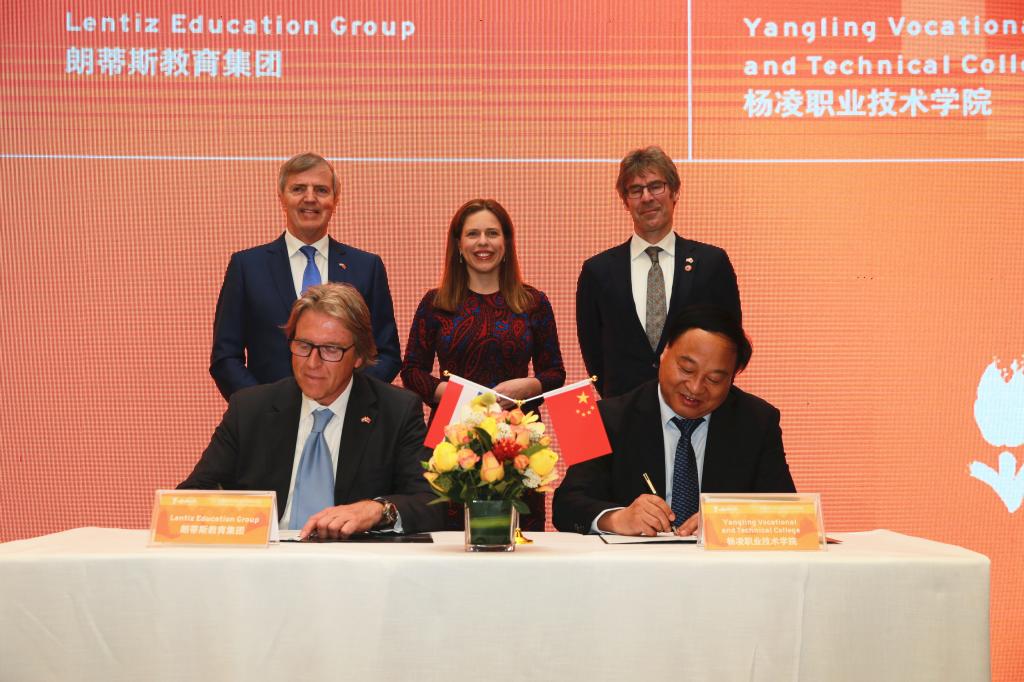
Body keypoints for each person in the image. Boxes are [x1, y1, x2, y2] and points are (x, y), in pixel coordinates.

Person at [182, 283, 442, 539]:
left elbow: (431, 503)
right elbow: (192, 494)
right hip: (267, 557)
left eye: (331, 349)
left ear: (359, 356)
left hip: (352, 560)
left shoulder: (396, 411)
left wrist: (377, 510)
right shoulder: (250, 408)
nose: (312, 363)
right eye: (304, 346)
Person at [552, 305, 795, 536]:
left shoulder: (759, 421)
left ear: (732, 378)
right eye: (687, 369)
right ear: (664, 353)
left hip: (719, 564)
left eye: (714, 379)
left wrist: (730, 519)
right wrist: (617, 518)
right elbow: (566, 505)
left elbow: (788, 512)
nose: (696, 388)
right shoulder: (602, 416)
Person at [400, 198, 566, 529]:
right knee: (449, 538)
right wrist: (450, 394)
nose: (483, 242)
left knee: (515, 535)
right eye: (473, 234)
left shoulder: (533, 302)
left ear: (506, 243)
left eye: (492, 233)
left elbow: (554, 373)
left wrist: (528, 387)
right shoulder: (435, 303)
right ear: (458, 245)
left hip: (516, 441)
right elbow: (412, 371)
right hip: (453, 439)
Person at [210, 152, 401, 400]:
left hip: (348, 417)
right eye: (298, 189)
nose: (310, 198)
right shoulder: (246, 267)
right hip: (268, 418)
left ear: (335, 199)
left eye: (321, 190)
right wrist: (261, 408)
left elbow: (386, 354)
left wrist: (348, 403)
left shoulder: (367, 267)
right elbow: (225, 357)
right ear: (281, 197)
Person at [576, 146, 741, 398]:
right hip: (624, 411)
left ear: (675, 192)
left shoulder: (711, 264)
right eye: (635, 190)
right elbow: (594, 354)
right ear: (625, 201)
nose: (647, 197)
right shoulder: (597, 272)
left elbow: (729, 344)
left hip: (696, 406)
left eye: (656, 186)